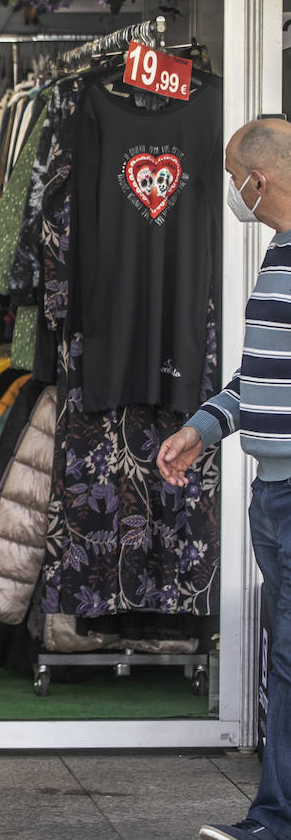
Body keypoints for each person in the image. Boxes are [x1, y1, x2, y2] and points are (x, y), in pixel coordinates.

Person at [160, 117, 291, 840]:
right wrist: (201, 428)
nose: (232, 193)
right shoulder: (280, 251)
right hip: (271, 492)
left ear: (256, 180)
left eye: (232, 177)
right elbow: (258, 377)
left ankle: (274, 822)